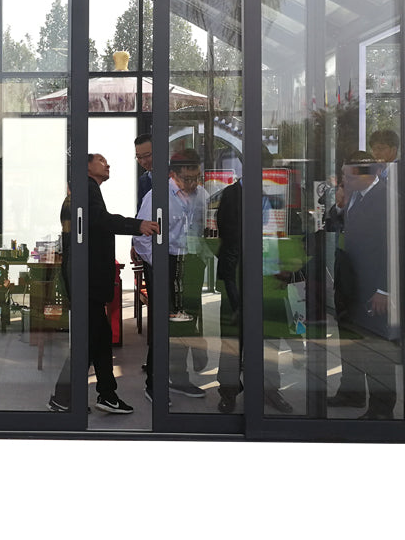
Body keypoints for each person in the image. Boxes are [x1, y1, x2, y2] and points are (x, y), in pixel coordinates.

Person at [48, 154, 159, 414]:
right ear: (87, 166)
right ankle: (64, 397)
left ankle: (106, 394)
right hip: (86, 277)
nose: (107, 164)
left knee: (99, 338)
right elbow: (102, 220)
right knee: (89, 340)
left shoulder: (84, 189)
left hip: (86, 276)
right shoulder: (86, 188)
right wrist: (138, 225)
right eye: (101, 160)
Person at [133, 149, 211, 401]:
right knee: (163, 324)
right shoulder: (157, 196)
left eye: (196, 178)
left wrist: (202, 258)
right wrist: (158, 265)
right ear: (173, 175)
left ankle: (179, 378)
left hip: (191, 263)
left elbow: (204, 230)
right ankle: (154, 383)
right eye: (187, 179)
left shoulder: (203, 196)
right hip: (165, 262)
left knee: (187, 320)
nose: (192, 184)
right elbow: (141, 237)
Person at [215, 175, 294, 414]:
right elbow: (227, 234)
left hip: (271, 276)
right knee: (232, 337)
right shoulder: (230, 194)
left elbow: (287, 231)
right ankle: (228, 391)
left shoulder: (276, 193)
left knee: (270, 336)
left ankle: (269, 389)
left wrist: (284, 265)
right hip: (238, 276)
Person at [328, 151, 396, 419]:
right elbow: (333, 226)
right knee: (350, 342)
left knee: (376, 349)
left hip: (373, 287)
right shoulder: (353, 196)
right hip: (350, 284)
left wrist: (384, 289)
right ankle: (351, 392)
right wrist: (339, 206)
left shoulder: (387, 199)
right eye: (344, 176)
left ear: (370, 173)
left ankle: (382, 408)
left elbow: (394, 246)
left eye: (350, 177)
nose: (345, 181)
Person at [134, 133, 153, 210]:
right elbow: (141, 210)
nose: (143, 162)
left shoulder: (176, 176)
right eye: (139, 157)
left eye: (147, 156)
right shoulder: (144, 180)